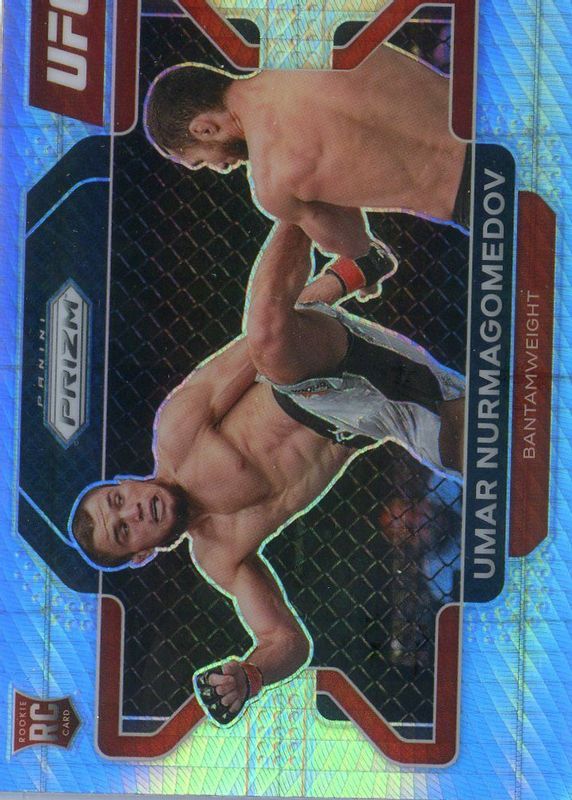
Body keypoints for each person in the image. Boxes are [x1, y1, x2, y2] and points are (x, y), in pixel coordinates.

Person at [69, 224, 465, 724]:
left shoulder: (176, 433)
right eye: (124, 530)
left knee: (269, 343)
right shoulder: (219, 555)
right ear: (142, 554)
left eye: (117, 501)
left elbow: (260, 341)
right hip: (373, 420)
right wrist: (250, 675)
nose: (133, 511)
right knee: (491, 453)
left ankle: (292, 202)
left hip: (321, 371)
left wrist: (343, 279)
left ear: (124, 482)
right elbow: (288, 642)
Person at [144, 46, 470, 262]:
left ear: (204, 129)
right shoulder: (302, 49)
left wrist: (298, 204)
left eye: (201, 161)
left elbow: (356, 245)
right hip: (491, 118)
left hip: (478, 198)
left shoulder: (272, 181)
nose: (220, 167)